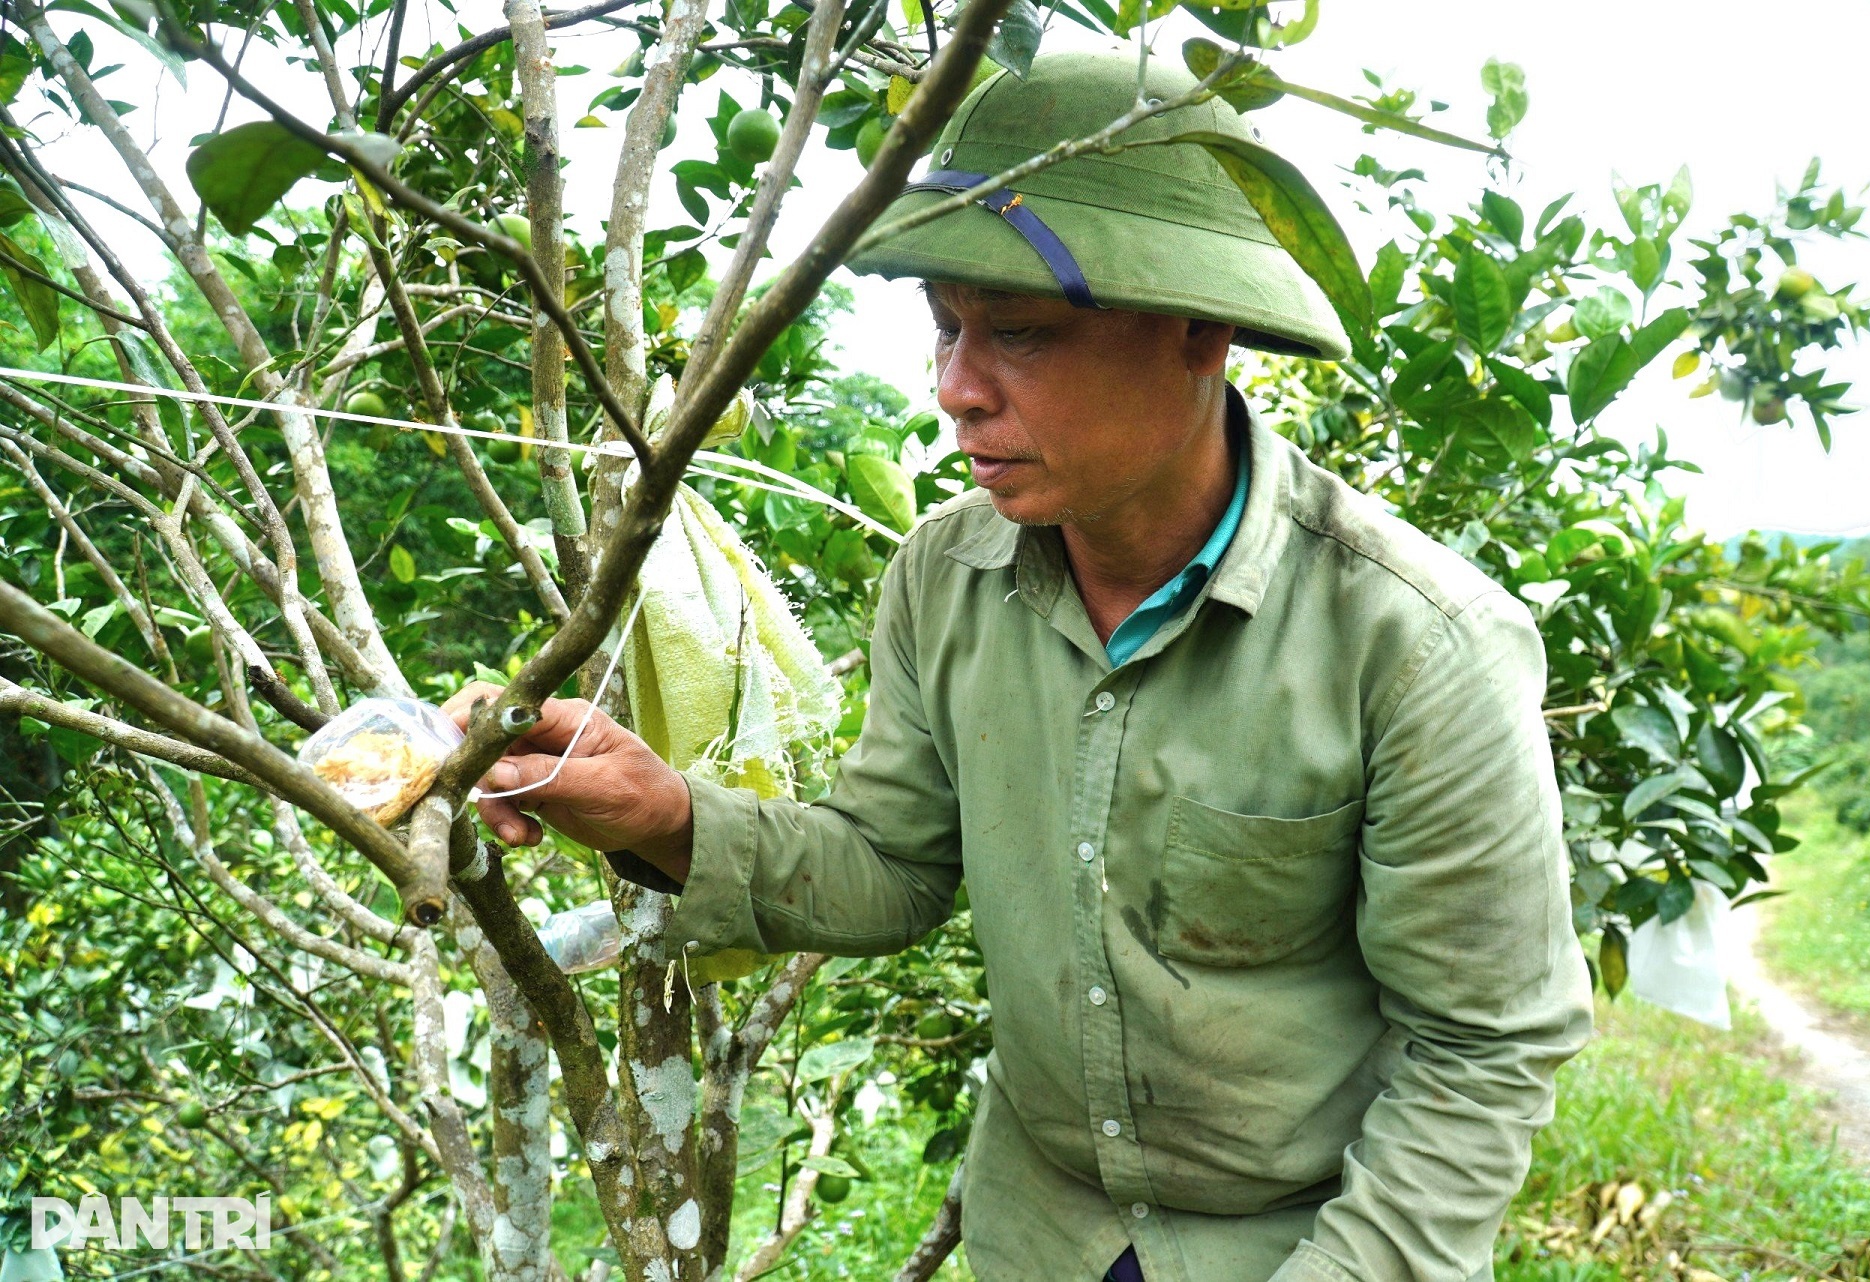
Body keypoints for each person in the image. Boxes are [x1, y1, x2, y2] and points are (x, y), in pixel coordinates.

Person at [445, 50, 1594, 1282]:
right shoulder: (949, 580)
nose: (955, 391)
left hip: (1304, 1240)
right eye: (945, 330)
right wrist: (661, 814)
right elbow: (889, 869)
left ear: (1200, 332)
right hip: (1039, 1228)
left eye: (1023, 335)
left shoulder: (1412, 643)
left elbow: (1480, 1051)